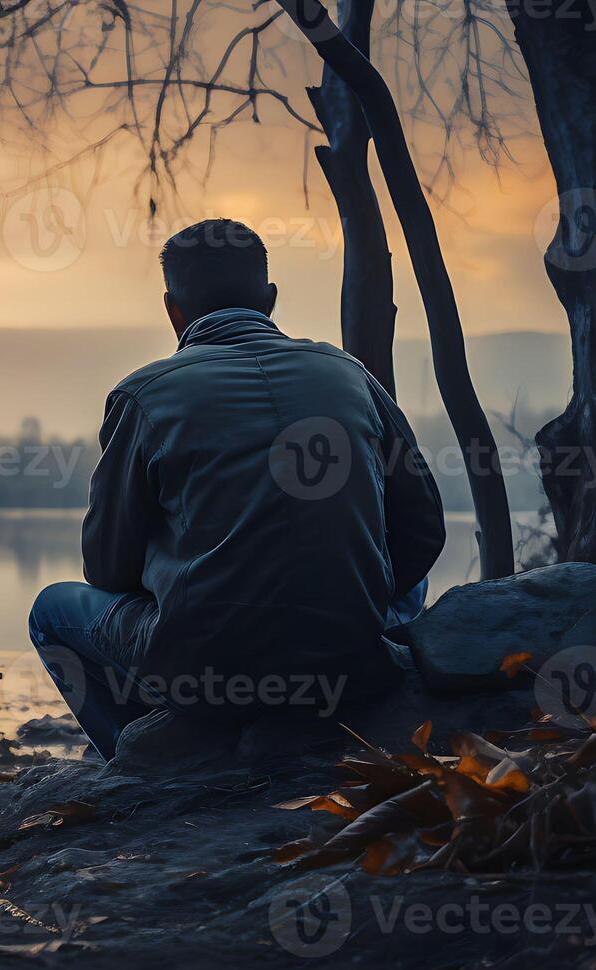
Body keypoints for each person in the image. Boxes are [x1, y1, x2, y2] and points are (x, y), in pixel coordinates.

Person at [27, 218, 445, 759]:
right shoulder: (348, 374)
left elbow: (106, 568)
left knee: (51, 612)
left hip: (208, 674)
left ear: (172, 310)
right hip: (348, 660)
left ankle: (143, 755)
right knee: (392, 568)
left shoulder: (144, 396)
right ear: (269, 300)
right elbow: (423, 529)